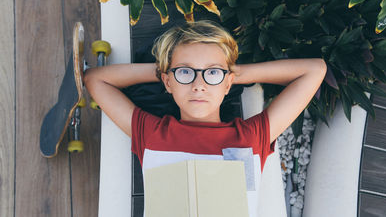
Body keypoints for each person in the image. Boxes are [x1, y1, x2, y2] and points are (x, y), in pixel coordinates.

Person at [84, 20, 326, 216]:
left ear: (228, 82)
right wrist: (165, 71)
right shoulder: (153, 132)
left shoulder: (250, 136)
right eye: (186, 72)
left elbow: (315, 70)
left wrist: (235, 74)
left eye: (211, 72)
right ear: (168, 81)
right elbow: (95, 79)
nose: (199, 85)